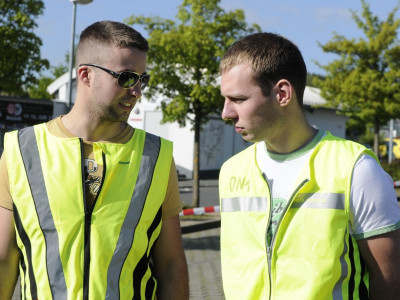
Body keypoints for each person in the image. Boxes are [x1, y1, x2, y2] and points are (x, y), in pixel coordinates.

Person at [0, 20, 189, 300]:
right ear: (86, 75)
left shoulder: (157, 156)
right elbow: (4, 258)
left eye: (143, 79)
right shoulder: (20, 149)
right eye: (126, 77)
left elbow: (171, 265)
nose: (136, 91)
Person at [218, 32, 400, 300]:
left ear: (282, 93)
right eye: (225, 99)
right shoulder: (232, 171)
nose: (226, 112)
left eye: (239, 99)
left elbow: (389, 281)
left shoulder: (356, 168)